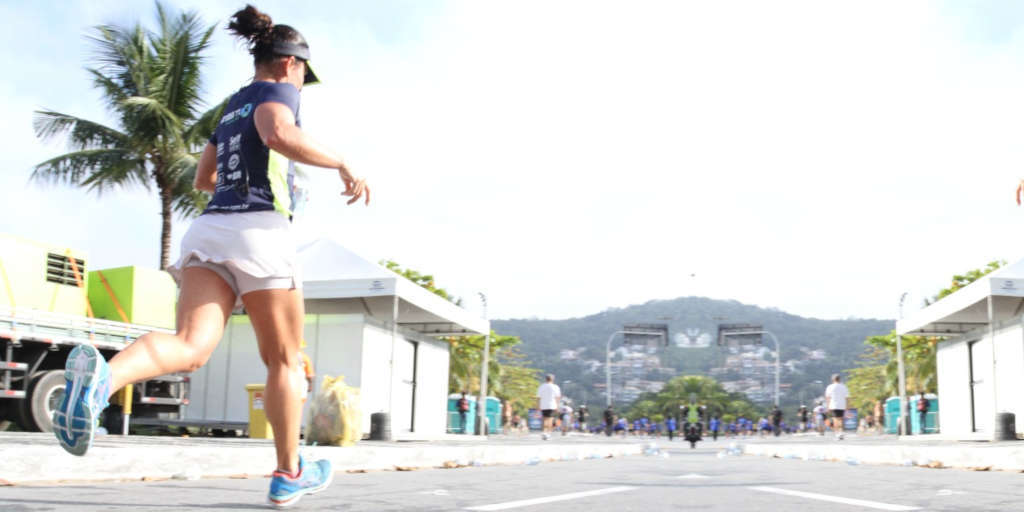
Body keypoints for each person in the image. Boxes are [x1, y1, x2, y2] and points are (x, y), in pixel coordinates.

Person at [49, 6, 369, 507]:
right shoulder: (276, 93)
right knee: (285, 360)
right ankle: (289, 473)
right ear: (290, 64)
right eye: (305, 74)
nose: (303, 83)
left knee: (190, 345)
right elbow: (278, 133)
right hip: (261, 231)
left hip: (209, 230)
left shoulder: (232, 105)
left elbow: (204, 179)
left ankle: (102, 383)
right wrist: (343, 162)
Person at [825, 374, 850, 440]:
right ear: (839, 379)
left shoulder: (830, 387)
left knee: (835, 419)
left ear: (833, 379)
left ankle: (837, 433)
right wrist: (847, 406)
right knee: (841, 419)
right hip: (842, 405)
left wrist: (828, 407)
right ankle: (841, 432)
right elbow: (847, 397)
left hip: (833, 405)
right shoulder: (844, 387)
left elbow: (828, 398)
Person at [536, 374, 561, 440]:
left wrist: (538, 406)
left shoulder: (541, 386)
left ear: (546, 379)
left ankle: (544, 432)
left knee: (544, 419)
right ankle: (548, 433)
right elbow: (557, 398)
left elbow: (538, 397)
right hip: (552, 405)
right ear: (552, 379)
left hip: (543, 405)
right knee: (550, 419)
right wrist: (557, 406)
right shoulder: (555, 387)